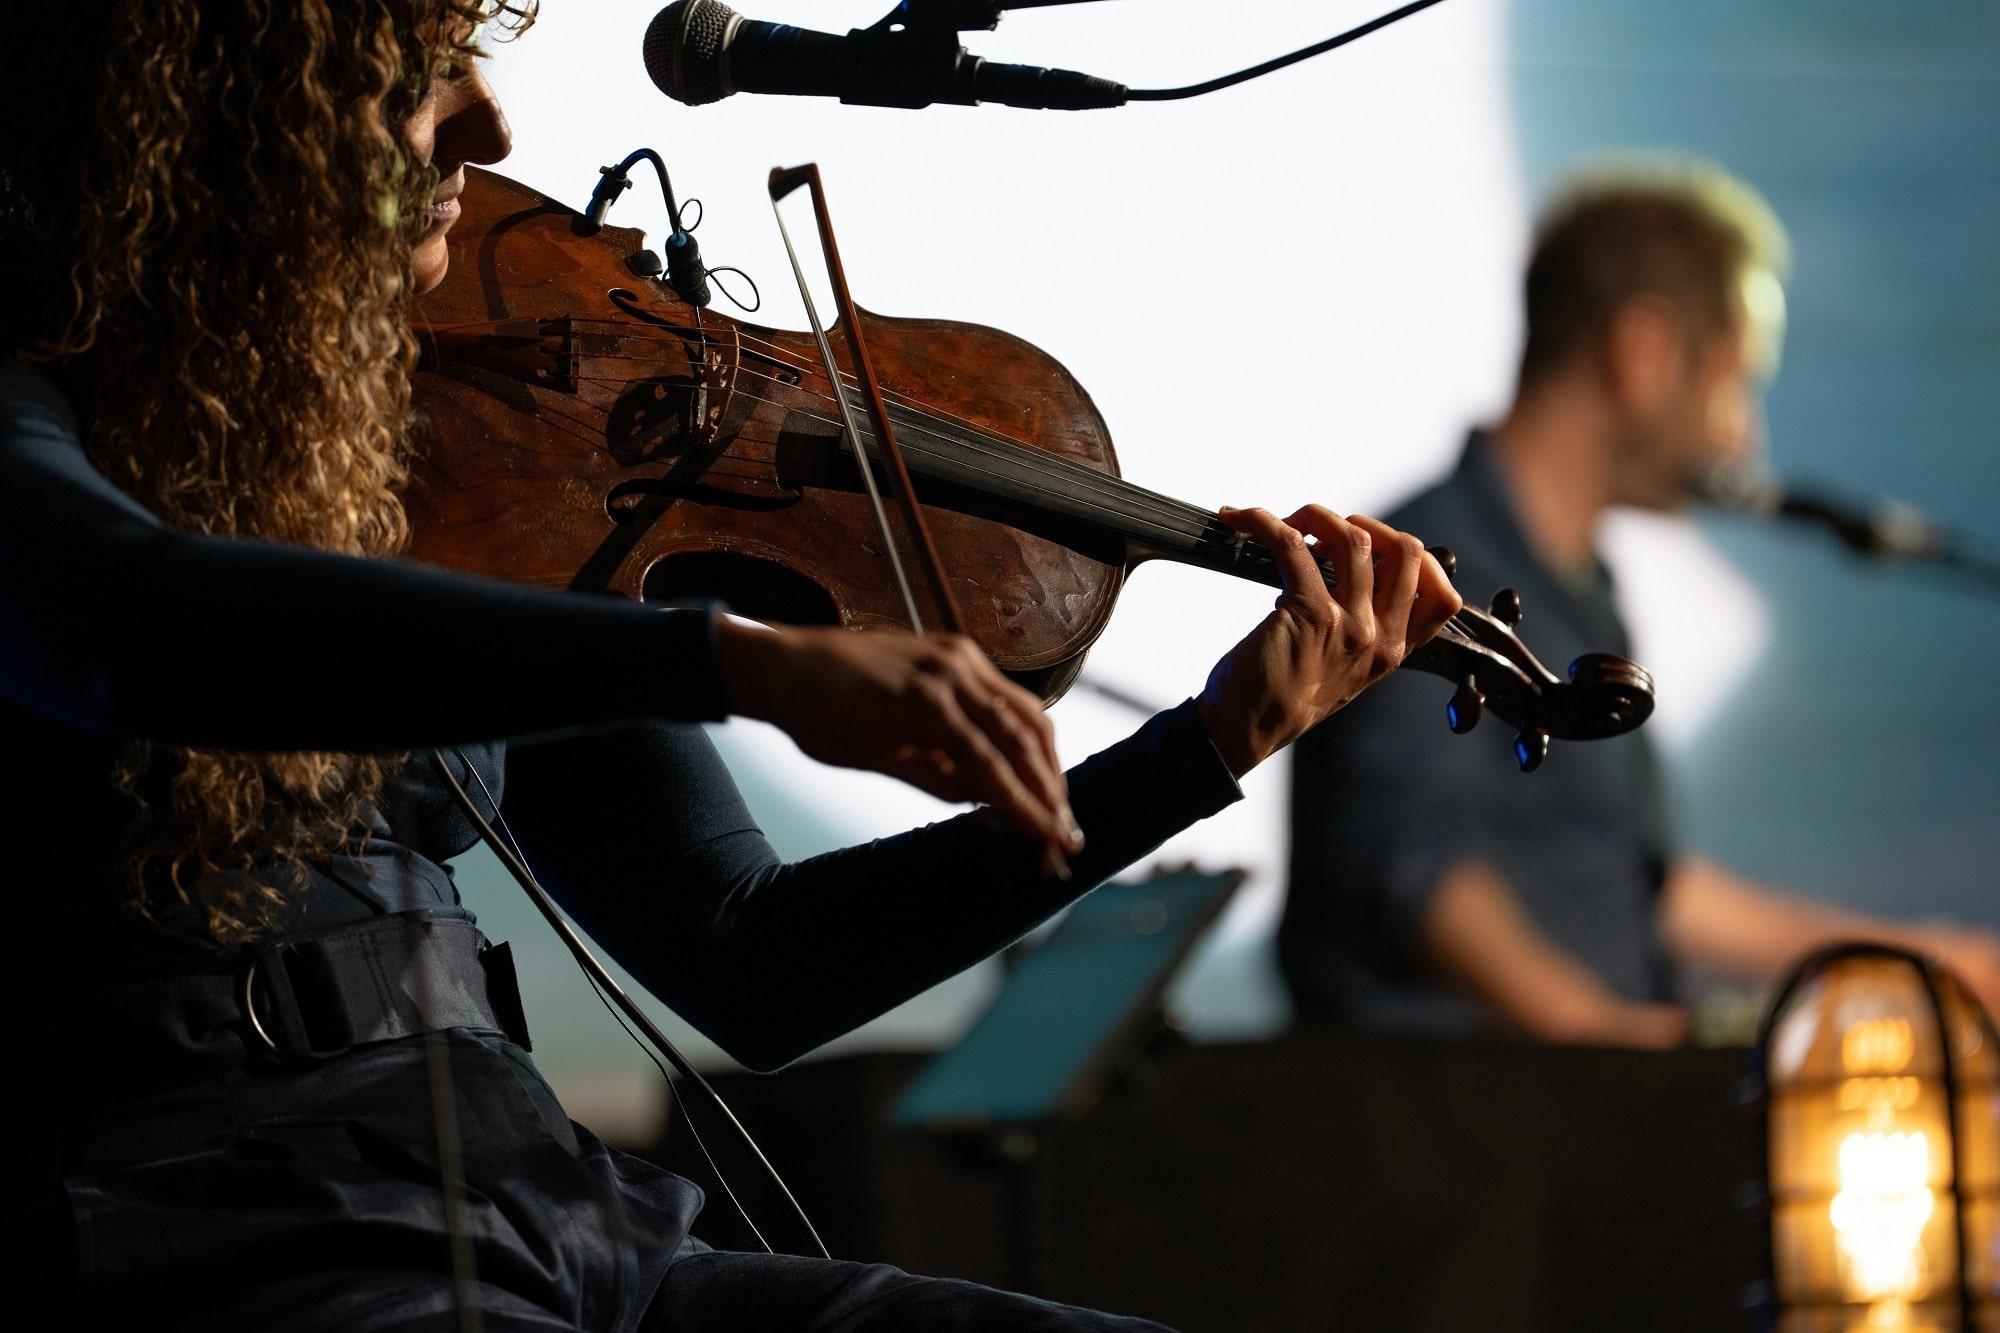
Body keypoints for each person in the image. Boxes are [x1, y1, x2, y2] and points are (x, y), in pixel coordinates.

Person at [0, 4, 1460, 1329]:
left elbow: (753, 957)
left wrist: (1202, 749)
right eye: (412, 71)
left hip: (554, 1211)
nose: (489, 125)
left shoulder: (431, 471)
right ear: (220, 115)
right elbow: (133, 622)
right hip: (219, 1227)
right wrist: (733, 663)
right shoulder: (30, 418)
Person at [1280, 159, 2000, 1048]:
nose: (1745, 434)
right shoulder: (1426, 565)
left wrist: (1919, 960)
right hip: (1450, 1111)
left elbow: (1647, 884)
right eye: (1735, 381)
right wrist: (1605, 1036)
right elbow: (1413, 866)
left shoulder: (1588, 594)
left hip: (1575, 1101)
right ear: (1643, 352)